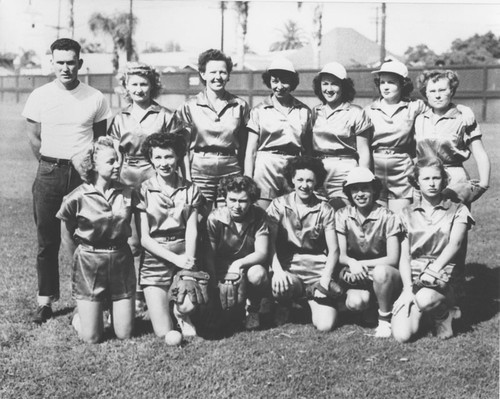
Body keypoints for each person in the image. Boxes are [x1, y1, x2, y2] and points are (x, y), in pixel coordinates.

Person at [22, 38, 111, 323]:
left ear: (79, 63)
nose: (65, 67)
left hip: (82, 176)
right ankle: (46, 300)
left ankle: (85, 297)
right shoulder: (40, 95)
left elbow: (100, 142)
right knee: (47, 240)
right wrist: (51, 164)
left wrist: (86, 171)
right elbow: (35, 139)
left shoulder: (95, 97)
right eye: (59, 62)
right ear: (52, 63)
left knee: (84, 238)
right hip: (49, 171)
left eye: (70, 62)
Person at [107, 62, 180, 313]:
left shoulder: (166, 115)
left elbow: (175, 151)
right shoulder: (120, 117)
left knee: (156, 236)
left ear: (153, 86)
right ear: (126, 87)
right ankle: (133, 291)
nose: (139, 89)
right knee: (133, 240)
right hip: (127, 179)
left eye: (144, 84)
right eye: (134, 84)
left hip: (155, 179)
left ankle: (159, 291)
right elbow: (115, 153)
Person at [366, 60, 474, 214]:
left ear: (403, 84)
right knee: (377, 222)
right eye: (382, 82)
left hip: (402, 170)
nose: (386, 86)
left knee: (400, 222)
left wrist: (463, 109)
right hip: (375, 168)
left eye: (391, 82)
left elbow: (440, 103)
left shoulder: (415, 106)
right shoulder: (368, 110)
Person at [57, 137, 136, 343]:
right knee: (91, 337)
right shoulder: (75, 198)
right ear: (93, 165)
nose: (118, 164)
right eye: (111, 161)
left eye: (118, 160)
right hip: (89, 264)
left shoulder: (127, 192)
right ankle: (78, 318)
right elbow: (66, 235)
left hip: (120, 261)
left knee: (124, 334)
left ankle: (109, 311)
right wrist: (81, 257)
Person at [391, 157, 474, 342]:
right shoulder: (405, 213)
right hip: (415, 279)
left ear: (444, 180)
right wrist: (407, 289)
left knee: (426, 298)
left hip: (445, 277)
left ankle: (444, 314)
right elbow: (404, 257)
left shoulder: (458, 209)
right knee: (402, 335)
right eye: (426, 179)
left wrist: (433, 270)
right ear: (416, 182)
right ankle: (429, 315)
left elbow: (455, 245)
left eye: (436, 178)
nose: (432, 183)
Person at [137, 132, 205, 339]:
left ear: (177, 158)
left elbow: (192, 229)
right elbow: (144, 239)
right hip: (155, 258)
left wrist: (188, 262)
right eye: (158, 157)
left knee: (188, 305)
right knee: (163, 332)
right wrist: (174, 258)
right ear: (151, 159)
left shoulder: (191, 189)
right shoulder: (143, 190)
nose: (164, 163)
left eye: (169, 157)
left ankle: (181, 312)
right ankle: (163, 305)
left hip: (183, 253)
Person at [267, 157, 340, 331]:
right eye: (300, 179)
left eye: (309, 180)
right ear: (292, 179)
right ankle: (285, 304)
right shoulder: (278, 204)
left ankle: (312, 299)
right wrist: (277, 271)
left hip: (318, 271)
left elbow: (334, 250)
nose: (304, 185)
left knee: (325, 326)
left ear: (316, 182)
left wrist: (325, 279)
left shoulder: (325, 208)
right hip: (290, 269)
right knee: (279, 285)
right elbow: (269, 243)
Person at [175, 49, 250, 213]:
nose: (218, 77)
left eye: (223, 72)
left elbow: (245, 145)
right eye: (213, 72)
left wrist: (243, 173)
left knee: (230, 219)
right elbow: (183, 149)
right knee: (199, 217)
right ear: (202, 74)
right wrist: (187, 178)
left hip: (231, 167)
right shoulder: (189, 106)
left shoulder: (240, 105)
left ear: (229, 75)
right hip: (200, 168)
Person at [335, 167, 403, 338]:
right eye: (354, 189)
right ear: (349, 192)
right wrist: (351, 264)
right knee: (356, 303)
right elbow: (341, 255)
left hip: (383, 272)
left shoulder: (388, 216)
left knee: (381, 272)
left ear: (374, 189)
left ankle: (384, 318)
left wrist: (359, 265)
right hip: (356, 274)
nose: (360, 194)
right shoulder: (342, 215)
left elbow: (393, 258)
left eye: (365, 188)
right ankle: (370, 306)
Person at [415, 69, 490, 205]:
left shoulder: (464, 118)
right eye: (432, 91)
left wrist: (483, 184)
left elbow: (480, 153)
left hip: (456, 182)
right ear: (425, 93)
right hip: (427, 179)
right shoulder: (419, 118)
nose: (437, 95)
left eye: (442, 90)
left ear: (452, 91)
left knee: (455, 222)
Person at [205, 175, 271, 331]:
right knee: (224, 318)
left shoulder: (259, 216)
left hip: (248, 266)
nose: (236, 206)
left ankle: (253, 308)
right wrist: (214, 283)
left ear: (251, 200)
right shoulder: (215, 217)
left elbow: (262, 252)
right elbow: (210, 256)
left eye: (242, 201)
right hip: (223, 270)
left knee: (259, 274)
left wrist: (238, 263)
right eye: (232, 200)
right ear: (225, 198)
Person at [245, 58, 312, 209]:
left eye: (285, 82)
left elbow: (308, 150)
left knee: (291, 215)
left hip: (293, 167)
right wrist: (247, 180)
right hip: (266, 167)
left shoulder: (304, 111)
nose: (279, 87)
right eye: (275, 81)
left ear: (293, 83)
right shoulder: (259, 110)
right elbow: (251, 150)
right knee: (263, 214)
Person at [311, 62, 372, 210]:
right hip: (319, 172)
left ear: (344, 87)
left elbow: (363, 151)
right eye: (325, 84)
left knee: (342, 213)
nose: (329, 89)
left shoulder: (356, 112)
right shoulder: (314, 112)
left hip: (345, 170)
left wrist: (362, 181)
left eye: (335, 84)